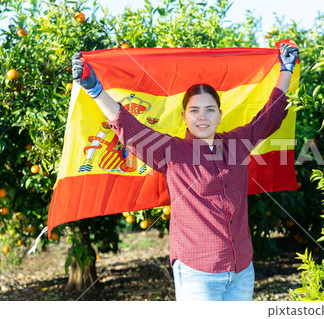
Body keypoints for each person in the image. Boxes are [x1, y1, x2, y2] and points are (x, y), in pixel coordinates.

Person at [71, 41, 299, 301]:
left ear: (220, 114)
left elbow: (270, 116)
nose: (202, 117)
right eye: (195, 111)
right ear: (184, 116)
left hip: (242, 269)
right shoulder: (172, 151)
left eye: (209, 110)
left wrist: (287, 68)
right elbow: (131, 130)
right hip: (198, 273)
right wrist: (95, 89)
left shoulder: (237, 144)